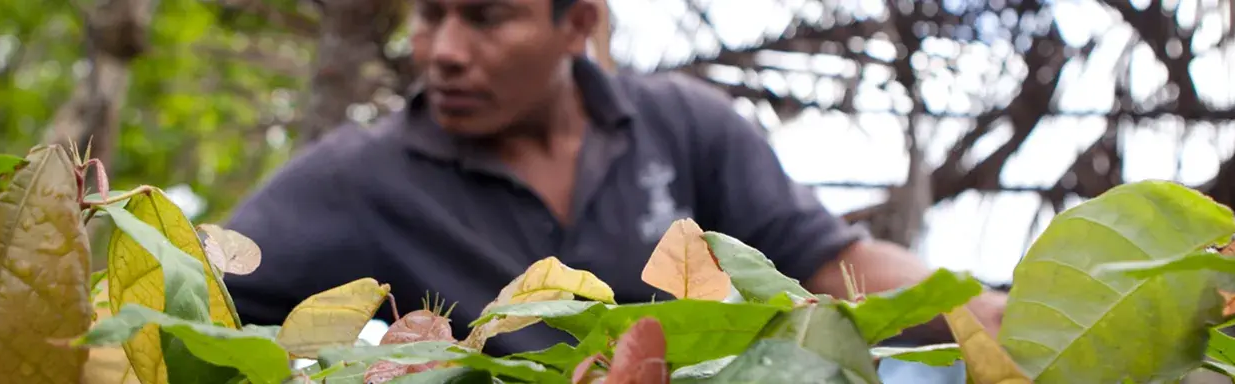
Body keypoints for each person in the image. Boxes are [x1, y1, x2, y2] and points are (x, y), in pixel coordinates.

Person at [220, 0, 1009, 355]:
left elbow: (831, 263)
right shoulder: (358, 176)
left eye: (486, 16)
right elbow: (196, 289)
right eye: (430, 14)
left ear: (579, 23)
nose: (443, 50)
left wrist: (998, 318)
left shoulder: (683, 124)